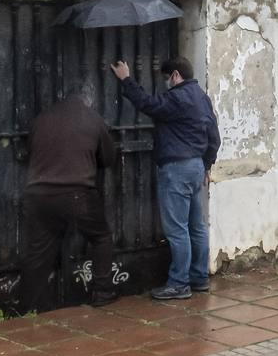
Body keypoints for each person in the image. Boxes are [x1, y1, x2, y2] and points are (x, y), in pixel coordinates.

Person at [111, 55, 221, 300]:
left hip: (177, 168)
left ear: (175, 75)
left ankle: (179, 283)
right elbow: (214, 136)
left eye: (166, 78)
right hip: (195, 167)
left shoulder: (178, 97)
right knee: (197, 227)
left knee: (177, 229)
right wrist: (206, 165)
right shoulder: (202, 98)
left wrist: (126, 79)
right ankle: (199, 278)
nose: (166, 84)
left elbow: (148, 104)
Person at [19, 80, 119, 311]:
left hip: (38, 195)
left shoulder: (42, 118)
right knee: (101, 237)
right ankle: (102, 291)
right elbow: (108, 158)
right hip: (76, 194)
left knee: (38, 251)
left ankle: (28, 305)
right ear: (88, 99)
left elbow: (29, 151)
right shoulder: (93, 119)